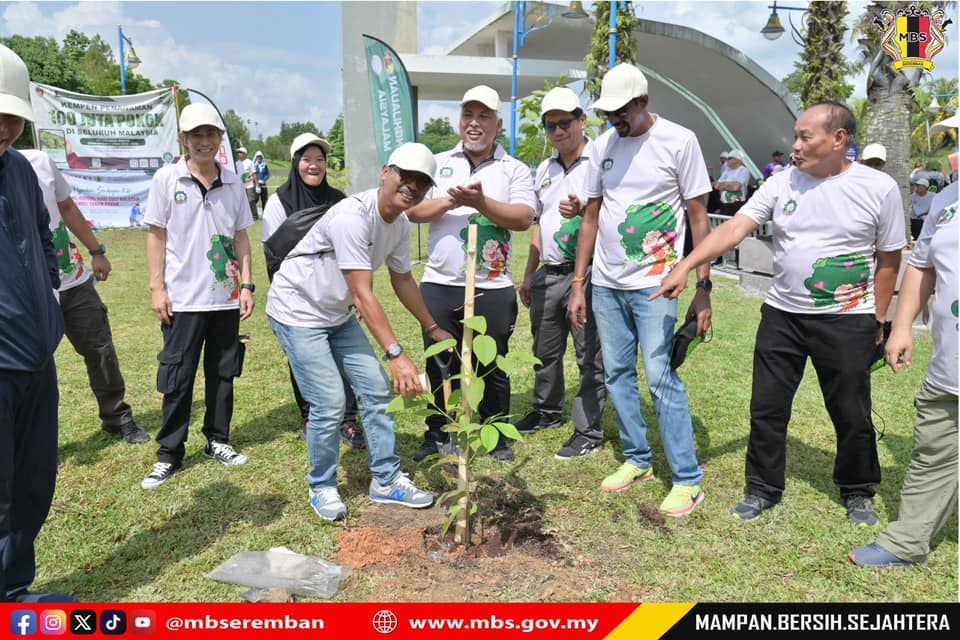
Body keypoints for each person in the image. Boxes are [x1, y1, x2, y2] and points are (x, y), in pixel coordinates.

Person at [653, 100, 905, 525]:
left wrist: (877, 319)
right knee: (767, 408)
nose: (795, 146)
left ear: (839, 139)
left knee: (851, 411)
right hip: (782, 316)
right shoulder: (783, 183)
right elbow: (734, 228)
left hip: (847, 320)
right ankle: (763, 488)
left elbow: (889, 260)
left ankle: (858, 488)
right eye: (795, 136)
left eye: (805, 137)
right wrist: (686, 264)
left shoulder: (878, 188)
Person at [267, 143, 447, 520]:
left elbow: (402, 279)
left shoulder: (399, 223)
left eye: (422, 181)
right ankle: (322, 485)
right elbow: (363, 293)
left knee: (376, 389)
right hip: (298, 311)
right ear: (385, 172)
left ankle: (385, 480)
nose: (412, 186)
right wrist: (396, 355)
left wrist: (431, 327)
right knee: (330, 401)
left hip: (336, 314)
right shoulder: (353, 216)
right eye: (405, 176)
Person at [567, 63, 712, 517]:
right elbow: (591, 216)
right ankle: (637, 459)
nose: (614, 120)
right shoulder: (603, 147)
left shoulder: (679, 140)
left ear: (644, 102)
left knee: (661, 377)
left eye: (622, 110)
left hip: (657, 285)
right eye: (608, 112)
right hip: (607, 286)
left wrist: (703, 286)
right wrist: (579, 283)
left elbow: (698, 218)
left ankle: (687, 479)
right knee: (616, 374)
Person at [406, 85, 536, 463]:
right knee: (439, 359)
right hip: (440, 283)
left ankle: (495, 431)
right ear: (459, 121)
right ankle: (437, 432)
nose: (474, 124)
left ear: (498, 125)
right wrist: (450, 199)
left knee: (491, 360)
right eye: (468, 115)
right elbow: (414, 211)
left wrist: (481, 202)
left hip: (492, 285)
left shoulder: (513, 169)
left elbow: (524, 217)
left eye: (483, 117)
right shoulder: (438, 161)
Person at [142, 103, 255, 489]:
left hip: (224, 298)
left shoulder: (235, 183)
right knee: (178, 378)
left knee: (223, 374)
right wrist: (158, 288)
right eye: (197, 136)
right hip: (183, 300)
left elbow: (241, 238)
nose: (204, 142)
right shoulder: (167, 179)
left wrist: (248, 285)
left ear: (220, 139)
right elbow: (156, 235)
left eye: (211, 135)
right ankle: (169, 453)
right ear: (184, 140)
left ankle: (217, 440)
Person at [849, 174, 958, 567]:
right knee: (933, 452)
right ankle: (907, 543)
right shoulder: (948, 199)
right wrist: (903, 325)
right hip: (949, 369)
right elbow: (922, 266)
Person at [0, 42, 73, 603]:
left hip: (35, 354)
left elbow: (46, 238)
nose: (3, 128)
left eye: (12, 118)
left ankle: (14, 588)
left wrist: (49, 297)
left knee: (32, 480)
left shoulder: (22, 169)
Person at [22, 149, 150, 445]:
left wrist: (96, 251)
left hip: (73, 280)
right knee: (31, 366)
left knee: (100, 349)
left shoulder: (40, 161)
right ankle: (32, 439)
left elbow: (66, 207)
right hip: (28, 291)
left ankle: (117, 417)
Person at [515, 87, 607, 459]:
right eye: (550, 125)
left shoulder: (600, 162)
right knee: (545, 349)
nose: (557, 131)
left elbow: (604, 216)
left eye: (565, 122)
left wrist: (584, 209)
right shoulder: (545, 169)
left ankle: (588, 430)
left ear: (582, 121)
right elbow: (539, 224)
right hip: (548, 274)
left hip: (585, 276)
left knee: (590, 354)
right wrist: (528, 274)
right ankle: (546, 411)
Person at [262, 132, 365, 449]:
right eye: (307, 159)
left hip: (335, 300)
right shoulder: (279, 202)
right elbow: (273, 255)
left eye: (320, 159)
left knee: (342, 361)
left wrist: (356, 294)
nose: (314, 165)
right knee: (304, 362)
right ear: (296, 163)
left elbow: (353, 250)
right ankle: (310, 415)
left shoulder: (339, 200)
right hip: (298, 303)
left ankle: (347, 421)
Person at [714, 149, 751, 216]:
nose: (727, 160)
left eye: (729, 158)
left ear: (737, 160)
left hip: (736, 204)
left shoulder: (743, 171)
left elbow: (736, 187)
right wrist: (730, 184)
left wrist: (724, 186)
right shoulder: (726, 171)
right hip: (724, 204)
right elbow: (717, 186)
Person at [236, 146, 258, 220]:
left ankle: (255, 216)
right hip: (239, 185)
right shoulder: (237, 162)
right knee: (241, 201)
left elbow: (254, 174)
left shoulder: (250, 162)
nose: (239, 154)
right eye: (238, 152)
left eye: (241, 152)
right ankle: (244, 217)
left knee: (251, 200)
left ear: (245, 154)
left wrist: (257, 185)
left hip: (249, 185)